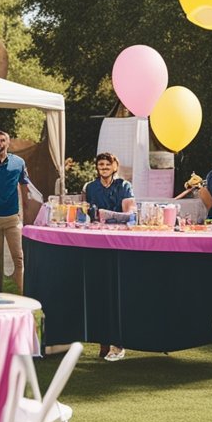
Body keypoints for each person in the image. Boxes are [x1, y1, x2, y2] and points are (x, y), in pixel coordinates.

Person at [82, 152, 134, 362]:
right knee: (99, 289)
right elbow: (85, 214)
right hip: (96, 242)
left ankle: (118, 342)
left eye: (107, 164)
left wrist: (108, 215)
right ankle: (103, 340)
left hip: (120, 242)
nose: (103, 167)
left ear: (114, 167)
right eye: (100, 164)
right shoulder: (90, 187)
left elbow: (130, 213)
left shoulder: (124, 186)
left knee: (117, 289)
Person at [0, 129, 31, 293]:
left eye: (2, 140)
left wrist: (25, 206)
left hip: (12, 217)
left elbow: (24, 185)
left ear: (8, 143)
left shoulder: (19, 162)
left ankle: (22, 292)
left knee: (19, 257)